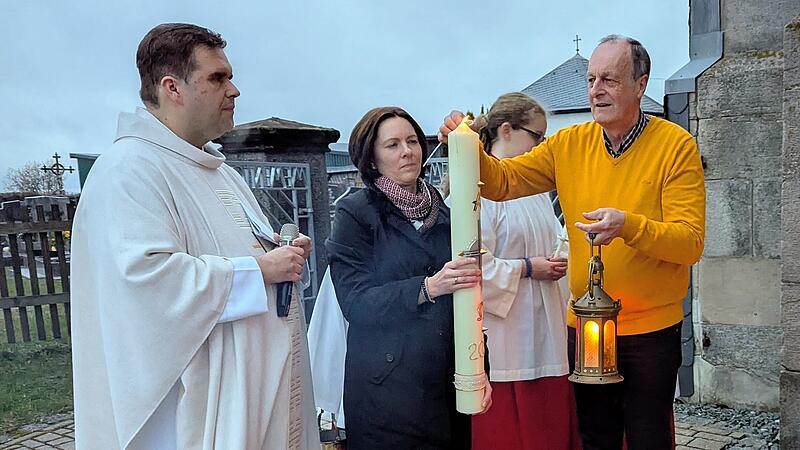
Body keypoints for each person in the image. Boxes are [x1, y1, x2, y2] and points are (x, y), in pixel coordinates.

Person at [439, 35, 705, 450]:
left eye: (610, 80)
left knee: (648, 436)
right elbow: (504, 181)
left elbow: (689, 243)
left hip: (650, 328)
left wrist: (629, 226)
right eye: (591, 79)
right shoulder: (569, 143)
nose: (597, 90)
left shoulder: (675, 146)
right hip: (585, 327)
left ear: (641, 84)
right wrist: (466, 143)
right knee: (595, 435)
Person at [70, 23, 319, 449]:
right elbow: (146, 282)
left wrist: (278, 250)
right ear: (173, 88)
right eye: (217, 78)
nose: (234, 90)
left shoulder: (219, 171)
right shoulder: (129, 170)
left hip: (255, 394)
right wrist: (257, 270)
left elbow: (243, 250)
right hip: (196, 411)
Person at [325, 106, 492, 449]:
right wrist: (428, 287)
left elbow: (468, 298)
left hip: (445, 387)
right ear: (371, 158)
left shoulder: (446, 212)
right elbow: (356, 303)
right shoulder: (355, 213)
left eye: (413, 141)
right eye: (393, 145)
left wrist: (478, 368)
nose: (407, 151)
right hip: (387, 393)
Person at [467, 93, 578, 450]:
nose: (542, 146)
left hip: (550, 327)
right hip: (508, 336)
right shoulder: (480, 191)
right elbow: (473, 265)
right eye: (537, 137)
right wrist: (530, 268)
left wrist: (563, 254)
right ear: (507, 130)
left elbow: (555, 237)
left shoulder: (536, 189)